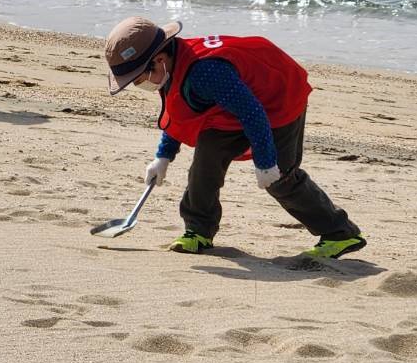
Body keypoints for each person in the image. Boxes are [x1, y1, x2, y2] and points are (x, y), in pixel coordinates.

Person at [103, 17, 367, 260]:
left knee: (280, 178)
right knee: (206, 161)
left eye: (138, 80)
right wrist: (163, 156)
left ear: (159, 60)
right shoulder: (169, 69)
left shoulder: (205, 72)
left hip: (277, 99)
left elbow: (253, 114)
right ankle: (199, 231)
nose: (140, 86)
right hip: (233, 106)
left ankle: (340, 234)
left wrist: (265, 164)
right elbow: (178, 113)